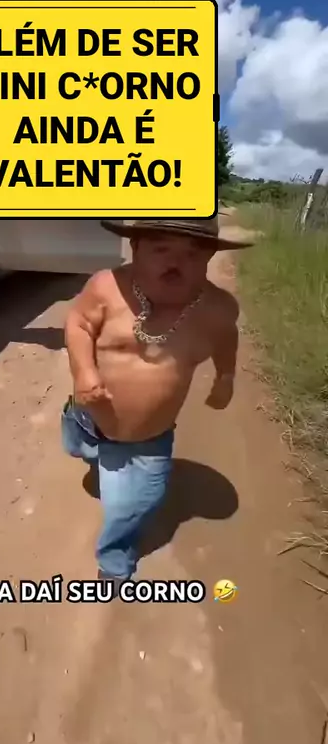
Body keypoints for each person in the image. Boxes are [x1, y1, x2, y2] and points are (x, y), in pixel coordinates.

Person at [62, 217, 253, 592]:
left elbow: (226, 339)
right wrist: (84, 372)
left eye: (192, 254)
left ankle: (115, 559)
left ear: (209, 257)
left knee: (134, 503)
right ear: (135, 249)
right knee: (78, 448)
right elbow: (78, 323)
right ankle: (95, 454)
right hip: (87, 417)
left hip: (148, 439)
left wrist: (226, 377)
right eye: (161, 249)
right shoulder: (107, 288)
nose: (175, 262)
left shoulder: (216, 309)